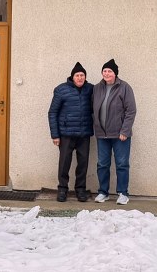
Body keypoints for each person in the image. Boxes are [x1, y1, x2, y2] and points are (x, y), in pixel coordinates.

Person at [48, 62, 94, 202]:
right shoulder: (61, 90)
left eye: (82, 75)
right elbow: (52, 112)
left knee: (83, 164)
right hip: (66, 134)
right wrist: (55, 135)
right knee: (64, 164)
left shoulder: (91, 89)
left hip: (84, 134)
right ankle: (62, 189)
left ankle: (80, 190)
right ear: (72, 77)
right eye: (77, 75)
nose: (80, 78)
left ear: (85, 77)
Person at [92, 58, 136, 205]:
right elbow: (92, 108)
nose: (106, 73)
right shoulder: (97, 88)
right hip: (102, 134)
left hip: (119, 135)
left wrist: (125, 130)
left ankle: (123, 193)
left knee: (122, 164)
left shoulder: (124, 87)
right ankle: (103, 192)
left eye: (109, 71)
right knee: (102, 164)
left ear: (115, 73)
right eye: (104, 71)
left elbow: (131, 111)